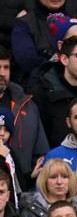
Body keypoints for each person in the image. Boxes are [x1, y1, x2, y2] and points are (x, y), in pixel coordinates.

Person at [0, 45, 50, 187]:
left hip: (22, 189)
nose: (2, 73)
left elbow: (41, 150)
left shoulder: (27, 106)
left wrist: (29, 178)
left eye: (6, 67)